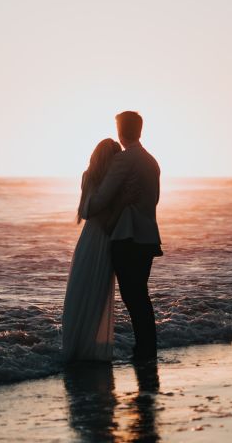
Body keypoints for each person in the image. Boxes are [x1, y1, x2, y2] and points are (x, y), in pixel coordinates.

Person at [86, 111, 162, 361]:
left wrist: (88, 199)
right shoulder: (152, 161)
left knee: (133, 297)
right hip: (148, 237)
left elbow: (101, 200)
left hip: (127, 238)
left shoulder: (125, 160)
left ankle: (144, 351)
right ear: (139, 130)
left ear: (120, 131)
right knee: (140, 295)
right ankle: (146, 348)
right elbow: (155, 200)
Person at [61, 138, 123, 362]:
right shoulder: (103, 179)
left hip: (92, 238)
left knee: (86, 289)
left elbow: (86, 211)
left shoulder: (99, 178)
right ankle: (85, 347)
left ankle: (79, 346)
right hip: (103, 238)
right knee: (92, 291)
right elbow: (87, 210)